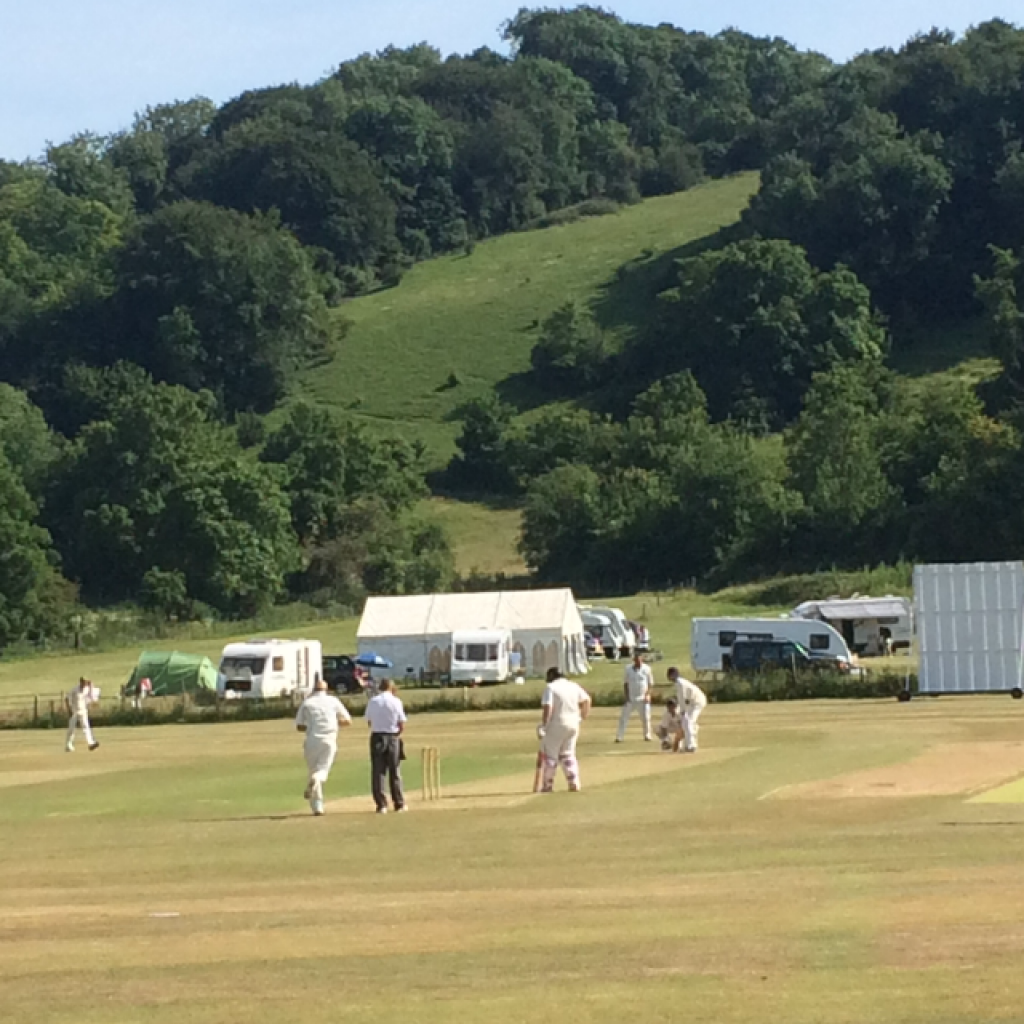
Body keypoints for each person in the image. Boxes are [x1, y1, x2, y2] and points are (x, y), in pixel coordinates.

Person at [295, 677, 352, 815]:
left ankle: (317, 806)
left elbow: (299, 726)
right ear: (326, 689)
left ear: (314, 689)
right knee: (322, 771)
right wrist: (333, 724)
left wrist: (310, 727)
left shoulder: (307, 703)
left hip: (312, 740)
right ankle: (317, 782)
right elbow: (348, 721)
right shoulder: (333, 701)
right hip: (329, 739)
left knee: (313, 770)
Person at [537, 666, 592, 792]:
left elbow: (548, 707)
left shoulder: (550, 688)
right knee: (568, 754)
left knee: (551, 756)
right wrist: (582, 717)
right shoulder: (573, 685)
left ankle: (547, 785)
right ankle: (574, 782)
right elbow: (587, 700)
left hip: (557, 724)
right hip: (573, 724)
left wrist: (544, 725)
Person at [364, 679, 407, 814]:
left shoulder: (373, 701)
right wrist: (396, 734)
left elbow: (369, 721)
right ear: (391, 687)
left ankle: (381, 805)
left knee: (378, 772)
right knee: (395, 771)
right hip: (392, 737)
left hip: (377, 737)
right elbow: (401, 724)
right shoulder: (396, 701)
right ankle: (399, 803)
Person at [667, 667, 707, 753]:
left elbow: (682, 699)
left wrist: (682, 711)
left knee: (688, 721)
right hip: (693, 703)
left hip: (698, 702)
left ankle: (691, 746)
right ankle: (689, 744)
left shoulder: (680, 683)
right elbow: (682, 699)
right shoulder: (679, 683)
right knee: (686, 722)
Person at [616, 652, 653, 742]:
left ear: (642, 659)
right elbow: (625, 683)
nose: (638, 662)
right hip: (631, 698)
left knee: (646, 718)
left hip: (643, 698)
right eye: (636, 660)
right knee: (623, 717)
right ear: (634, 660)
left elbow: (650, 684)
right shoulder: (628, 669)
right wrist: (626, 696)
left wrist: (647, 695)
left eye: (640, 660)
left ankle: (647, 735)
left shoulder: (647, 669)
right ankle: (619, 737)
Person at [65, 677, 100, 752]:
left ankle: (91, 744)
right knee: (72, 728)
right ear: (80, 682)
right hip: (74, 711)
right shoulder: (74, 689)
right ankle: (68, 745)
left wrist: (91, 685)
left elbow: (92, 695)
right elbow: (67, 698)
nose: (85, 684)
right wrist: (69, 710)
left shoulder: (87, 689)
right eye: (84, 682)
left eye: (86, 683)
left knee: (86, 727)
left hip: (83, 711)